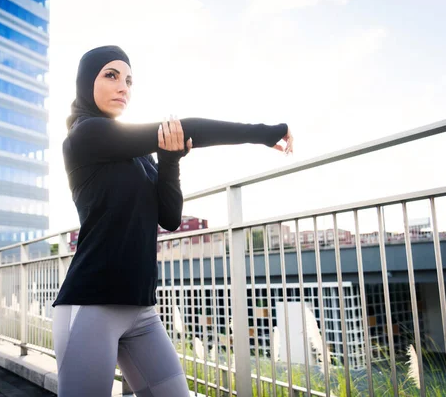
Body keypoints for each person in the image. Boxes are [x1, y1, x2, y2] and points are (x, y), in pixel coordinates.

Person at [52, 45, 293, 396]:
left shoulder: (140, 155)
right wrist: (266, 132)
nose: (124, 87)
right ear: (86, 82)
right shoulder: (84, 136)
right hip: (90, 306)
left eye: (130, 80)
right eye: (111, 76)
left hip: (142, 310)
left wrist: (169, 160)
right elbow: (189, 126)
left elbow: (169, 217)